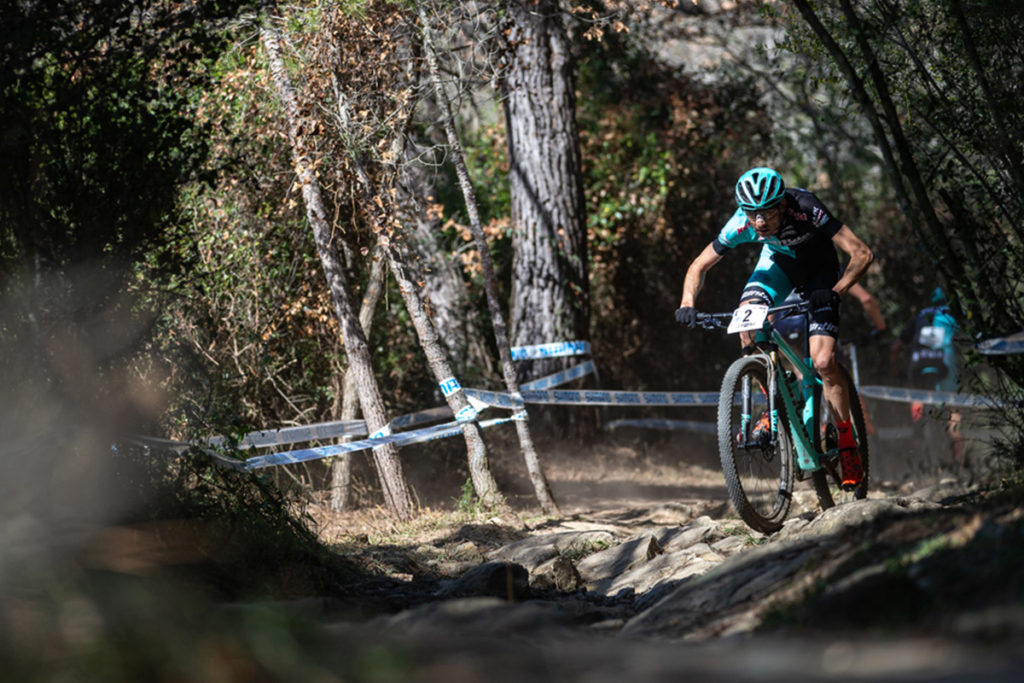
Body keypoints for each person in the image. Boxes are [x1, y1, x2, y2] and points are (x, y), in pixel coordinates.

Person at [675, 167, 874, 489]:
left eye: (766, 212)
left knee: (823, 362)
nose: (759, 223)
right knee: (747, 322)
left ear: (782, 205)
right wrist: (687, 304)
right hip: (778, 266)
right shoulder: (742, 221)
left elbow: (862, 253)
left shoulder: (807, 206)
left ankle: (847, 442)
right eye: (752, 214)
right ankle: (776, 401)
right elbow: (699, 265)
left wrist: (835, 291)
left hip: (820, 270)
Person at [897, 287, 964, 467]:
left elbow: (895, 346)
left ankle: (919, 457)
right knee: (953, 410)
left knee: (917, 402)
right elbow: (965, 342)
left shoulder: (920, 316)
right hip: (945, 364)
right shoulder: (952, 317)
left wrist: (896, 369)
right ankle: (959, 460)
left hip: (919, 365)